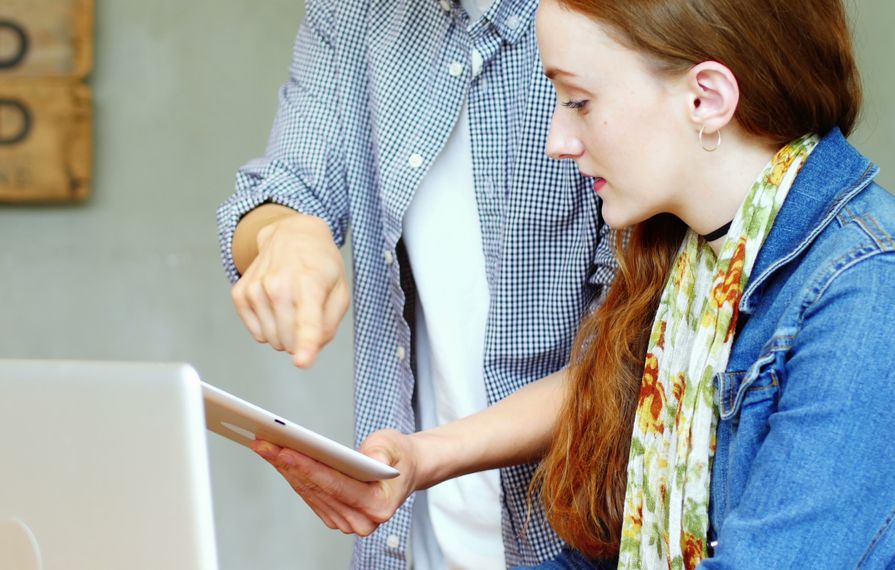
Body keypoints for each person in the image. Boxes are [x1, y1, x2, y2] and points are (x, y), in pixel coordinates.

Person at [252, 0, 895, 567]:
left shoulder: (883, 296)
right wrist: (417, 463)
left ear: (706, 98)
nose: (558, 140)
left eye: (580, 102)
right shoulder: (689, 276)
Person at [216, 1, 616, 568]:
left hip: (576, 537)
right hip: (410, 539)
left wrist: (423, 458)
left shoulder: (609, 20)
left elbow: (628, 360)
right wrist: (285, 233)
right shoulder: (351, 14)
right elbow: (282, 187)